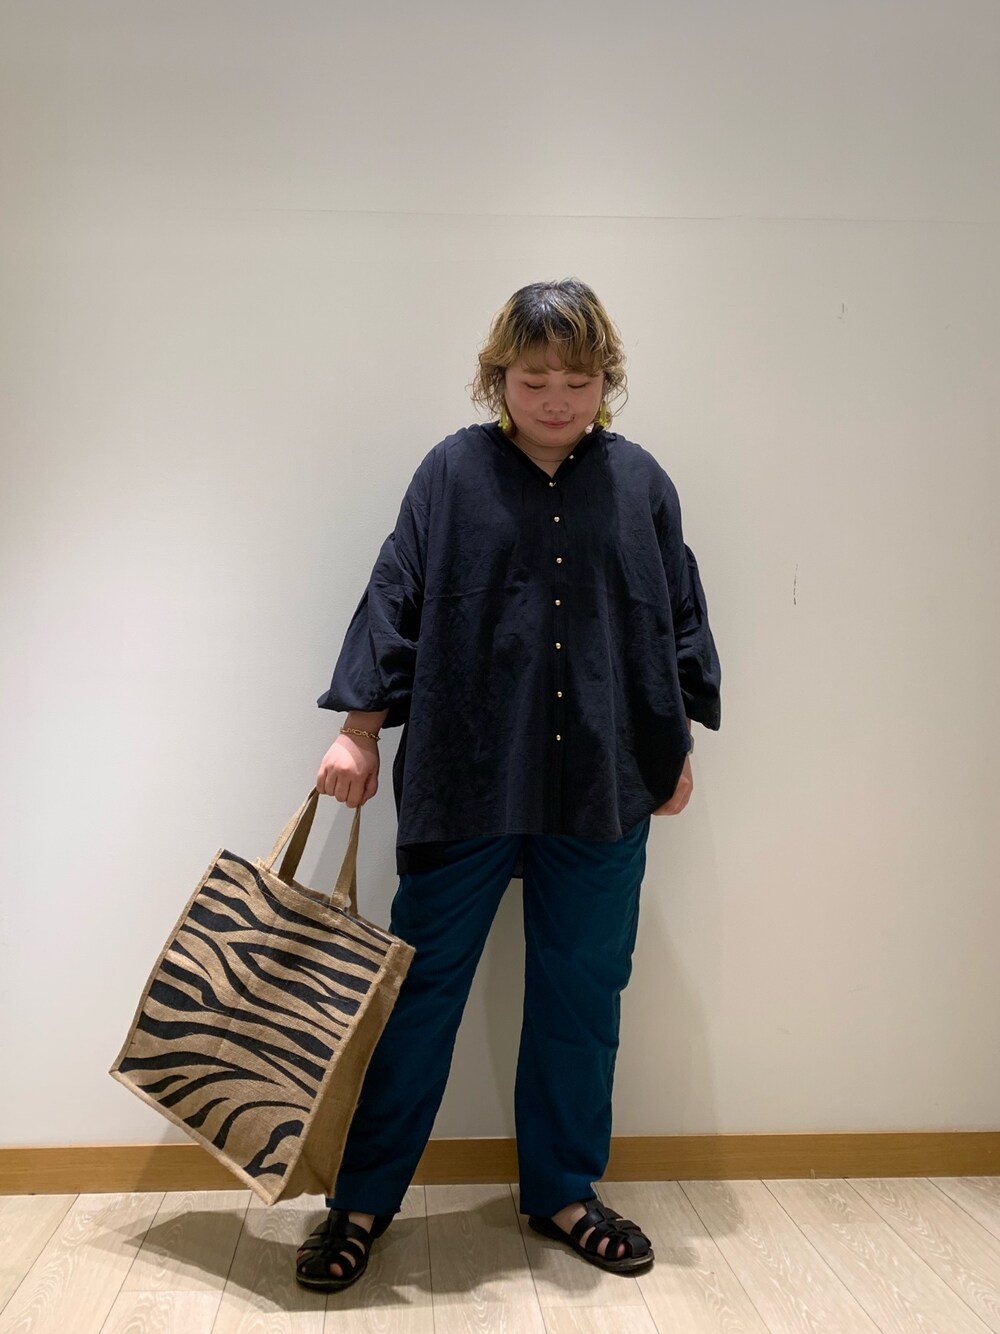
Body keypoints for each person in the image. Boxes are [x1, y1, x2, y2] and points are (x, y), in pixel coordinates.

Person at [294, 278, 722, 1293]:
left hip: (603, 785)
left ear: (606, 380)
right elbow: (395, 595)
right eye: (535, 379)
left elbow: (674, 618)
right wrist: (358, 732)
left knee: (583, 992)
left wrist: (673, 747)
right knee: (415, 993)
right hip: (467, 775)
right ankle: (361, 1199)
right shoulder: (450, 474)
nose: (557, 398)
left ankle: (564, 1191)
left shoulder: (641, 483)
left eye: (578, 379)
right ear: (498, 378)